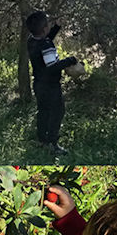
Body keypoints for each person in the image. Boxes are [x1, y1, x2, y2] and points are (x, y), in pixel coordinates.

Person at [26, 11, 78, 156]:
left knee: (43, 111)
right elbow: (53, 66)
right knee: (57, 112)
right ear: (44, 29)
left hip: (38, 84)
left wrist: (56, 27)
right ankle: (53, 144)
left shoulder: (32, 40)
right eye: (48, 24)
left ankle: (42, 140)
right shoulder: (46, 44)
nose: (50, 24)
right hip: (50, 86)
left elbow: (45, 41)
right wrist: (70, 60)